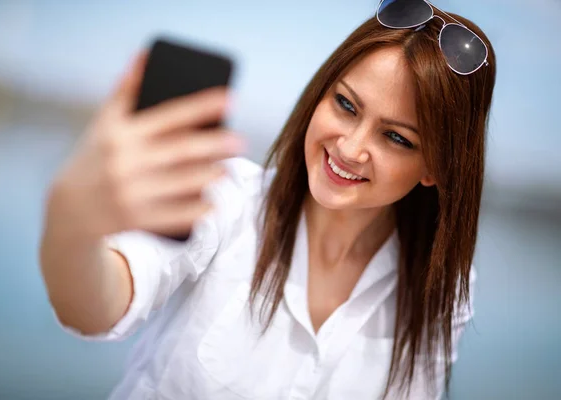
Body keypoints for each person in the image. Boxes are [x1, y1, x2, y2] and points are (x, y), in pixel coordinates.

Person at [39, 1, 496, 399]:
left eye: (396, 137)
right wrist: (71, 224)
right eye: (346, 105)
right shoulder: (226, 198)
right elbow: (97, 306)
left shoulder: (446, 290)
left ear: (435, 167)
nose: (351, 148)